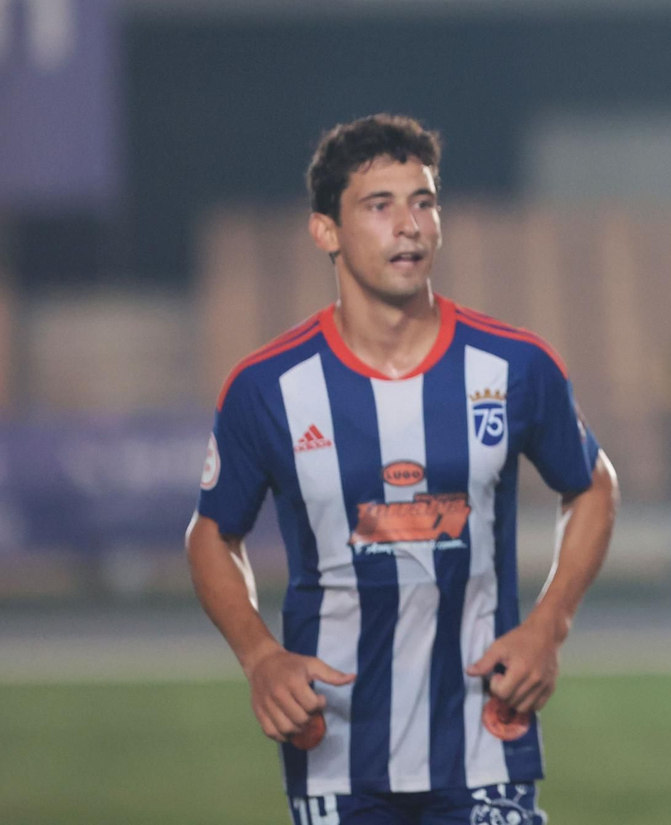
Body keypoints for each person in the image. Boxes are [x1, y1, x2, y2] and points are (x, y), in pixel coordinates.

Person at [186, 114, 618, 825]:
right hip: (335, 749)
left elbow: (592, 482)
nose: (409, 225)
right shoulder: (268, 388)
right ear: (325, 230)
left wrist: (551, 624)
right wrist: (260, 656)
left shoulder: (513, 366)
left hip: (486, 738)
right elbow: (210, 535)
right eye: (379, 206)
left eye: (424, 202)